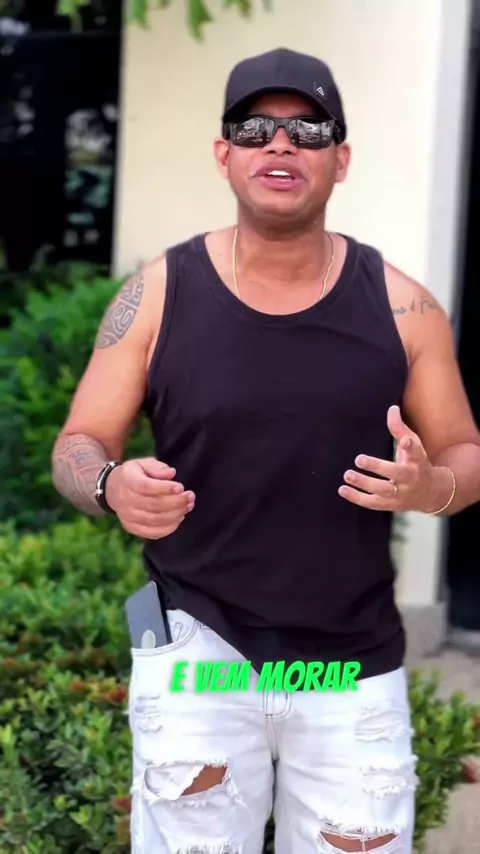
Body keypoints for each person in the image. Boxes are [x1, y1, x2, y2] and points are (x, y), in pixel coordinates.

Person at [52, 47, 480, 854]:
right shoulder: (157, 294)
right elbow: (78, 443)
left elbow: (465, 449)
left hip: (349, 669)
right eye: (255, 128)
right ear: (225, 154)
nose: (281, 145)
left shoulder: (405, 307)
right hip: (198, 660)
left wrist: (434, 488)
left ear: (340, 159)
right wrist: (109, 484)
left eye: (308, 130)